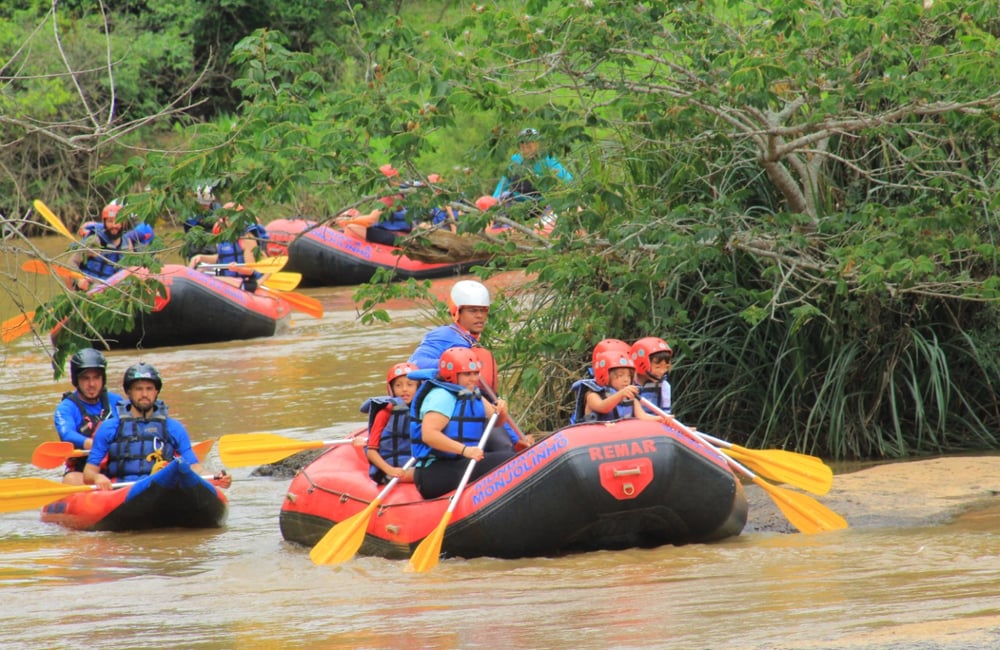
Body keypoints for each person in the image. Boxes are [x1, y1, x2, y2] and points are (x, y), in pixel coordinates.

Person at [83, 362, 231, 489]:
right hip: (123, 490)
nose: (144, 394)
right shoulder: (109, 428)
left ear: (156, 392)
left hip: (162, 488)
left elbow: (194, 467)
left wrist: (215, 478)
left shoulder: (173, 428)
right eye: (138, 389)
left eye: (149, 389)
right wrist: (98, 478)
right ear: (129, 392)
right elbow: (88, 473)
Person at [409, 347, 514, 499]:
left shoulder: (470, 392)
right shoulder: (441, 396)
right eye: (467, 374)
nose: (473, 378)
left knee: (509, 456)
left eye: (475, 373)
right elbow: (429, 435)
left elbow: (496, 423)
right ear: (451, 375)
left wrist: (502, 411)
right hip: (434, 471)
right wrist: (466, 450)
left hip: (461, 462)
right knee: (505, 461)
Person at [53, 348, 125, 485]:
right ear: (76, 380)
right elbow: (66, 434)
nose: (91, 384)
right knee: (71, 479)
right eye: (86, 378)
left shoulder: (116, 401)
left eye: (96, 378)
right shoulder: (66, 408)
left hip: (116, 468)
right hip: (82, 471)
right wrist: (92, 444)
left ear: (103, 378)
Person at [362, 361, 421, 484]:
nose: (404, 389)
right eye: (398, 385)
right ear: (391, 389)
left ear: (418, 387)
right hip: (390, 470)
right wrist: (389, 470)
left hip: (415, 465)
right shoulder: (385, 413)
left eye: (410, 385)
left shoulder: (424, 411)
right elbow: (372, 451)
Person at [187, 204, 268, 292]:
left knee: (210, 279)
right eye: (228, 219)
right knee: (200, 271)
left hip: (246, 282)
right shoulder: (223, 238)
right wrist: (201, 257)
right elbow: (221, 257)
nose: (230, 222)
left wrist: (237, 268)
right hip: (229, 280)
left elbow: (250, 270)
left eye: (233, 219)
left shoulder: (247, 239)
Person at [570, 350, 662, 424]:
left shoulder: (630, 396)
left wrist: (661, 419)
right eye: (620, 376)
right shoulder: (592, 395)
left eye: (629, 376)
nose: (626, 380)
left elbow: (642, 416)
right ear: (605, 375)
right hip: (596, 439)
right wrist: (620, 394)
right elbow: (603, 407)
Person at [492, 127, 573, 205]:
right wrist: (494, 200)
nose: (525, 146)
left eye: (529, 142)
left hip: (541, 202)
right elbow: (504, 183)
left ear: (537, 143)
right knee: (503, 197)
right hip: (518, 201)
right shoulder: (516, 160)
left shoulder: (547, 160)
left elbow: (567, 180)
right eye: (522, 142)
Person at [69, 200, 126, 291]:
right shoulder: (94, 240)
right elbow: (72, 262)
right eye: (110, 221)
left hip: (109, 295)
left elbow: (128, 274)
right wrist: (79, 278)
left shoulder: (127, 245)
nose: (114, 225)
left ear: (123, 223)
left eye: (117, 221)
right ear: (104, 223)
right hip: (87, 291)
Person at [631, 336, 674, 415]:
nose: (662, 371)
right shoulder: (627, 383)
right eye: (658, 367)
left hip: (653, 423)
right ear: (642, 363)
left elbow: (666, 414)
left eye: (666, 367)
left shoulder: (664, 386)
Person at [182, 185, 221, 260]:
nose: (206, 207)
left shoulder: (217, 207)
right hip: (196, 244)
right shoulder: (190, 212)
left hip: (214, 243)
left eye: (207, 205)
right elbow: (190, 226)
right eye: (203, 205)